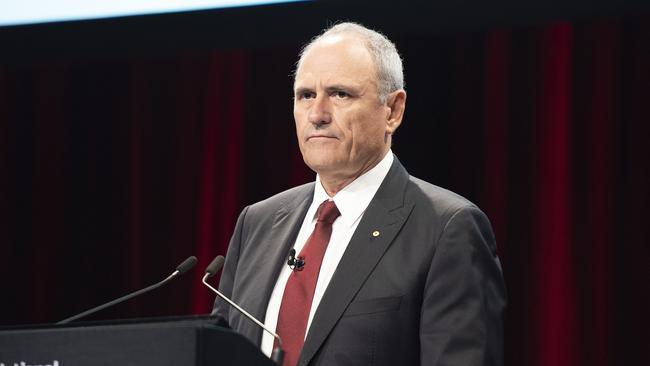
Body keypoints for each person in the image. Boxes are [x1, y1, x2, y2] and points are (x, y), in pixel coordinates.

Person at [212, 22, 506, 366]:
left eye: (340, 94)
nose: (318, 114)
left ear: (392, 111)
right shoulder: (256, 223)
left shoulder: (447, 229)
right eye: (306, 95)